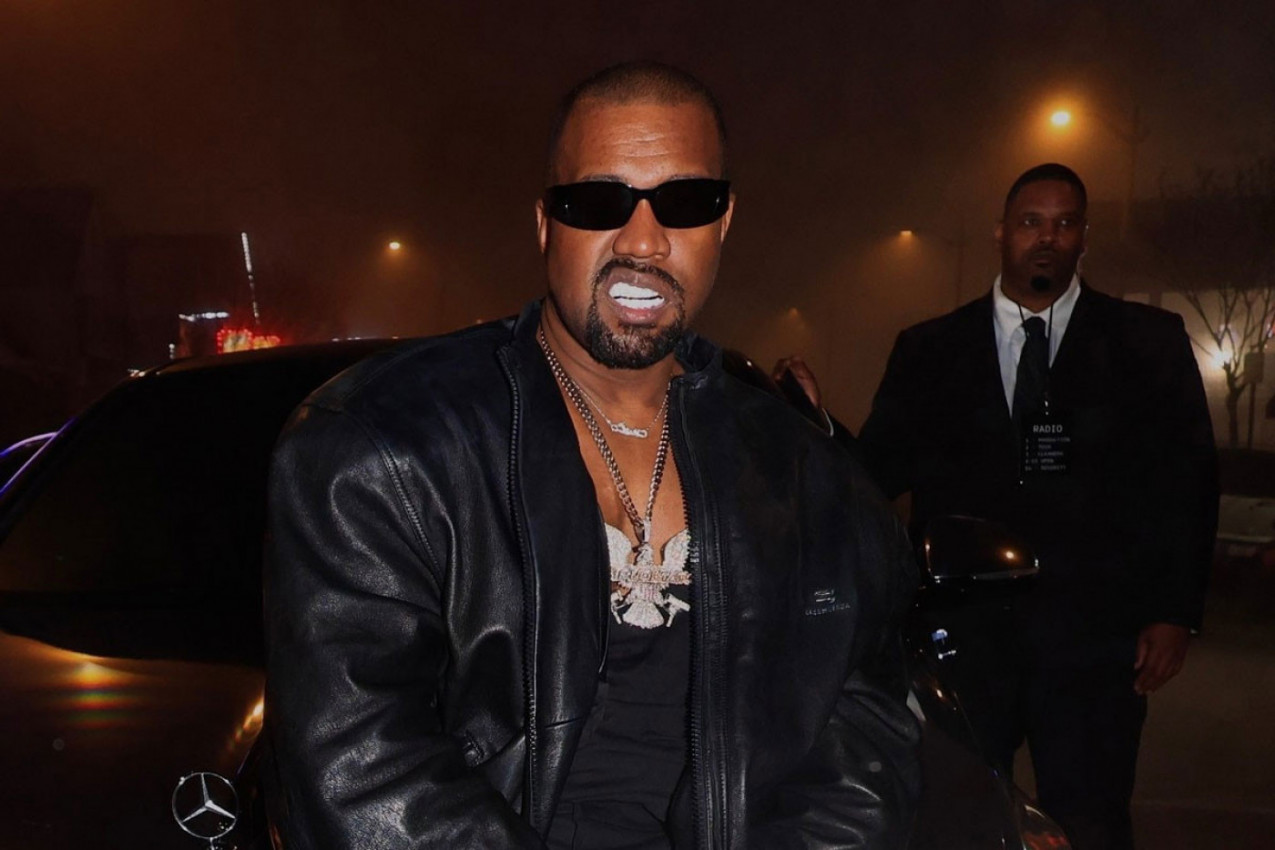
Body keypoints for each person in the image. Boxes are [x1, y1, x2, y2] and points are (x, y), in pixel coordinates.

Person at [263, 61, 921, 850]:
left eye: (684, 202)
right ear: (546, 223)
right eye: (599, 202)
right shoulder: (385, 444)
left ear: (723, 222)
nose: (642, 241)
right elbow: (359, 767)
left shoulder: (805, 475)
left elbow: (863, 734)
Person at [856, 163, 1219, 850]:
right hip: (963, 638)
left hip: (1094, 640)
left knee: (1090, 822)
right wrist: (808, 426)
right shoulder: (930, 349)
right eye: (1030, 222)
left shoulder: (1146, 342)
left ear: (1083, 237)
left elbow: (1186, 482)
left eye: (1063, 223)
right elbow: (875, 472)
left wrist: (1174, 612)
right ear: (1001, 232)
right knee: (960, 823)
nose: (1046, 238)